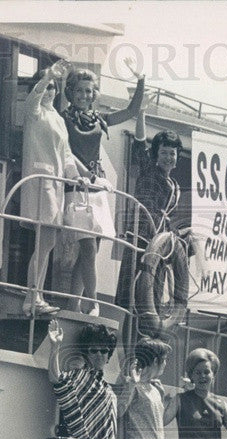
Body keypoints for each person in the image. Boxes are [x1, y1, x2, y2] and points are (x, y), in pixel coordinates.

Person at [55, 69, 147, 315]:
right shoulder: (63, 119)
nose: (84, 95)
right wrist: (87, 175)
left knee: (91, 250)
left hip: (97, 187)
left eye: (89, 90)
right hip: (77, 184)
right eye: (79, 90)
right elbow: (66, 152)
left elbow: (131, 112)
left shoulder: (99, 118)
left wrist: (141, 81)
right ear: (70, 93)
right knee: (86, 247)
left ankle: (73, 304)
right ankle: (92, 301)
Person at [20, 62, 90, 315]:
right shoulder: (34, 111)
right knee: (44, 243)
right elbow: (34, 99)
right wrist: (47, 75)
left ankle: (34, 296)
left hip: (56, 186)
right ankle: (32, 298)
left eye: (53, 87)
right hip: (40, 183)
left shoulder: (58, 118)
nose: (50, 91)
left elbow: (67, 155)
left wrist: (76, 176)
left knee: (47, 244)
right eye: (46, 87)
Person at [115, 121, 192, 330]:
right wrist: (141, 113)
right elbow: (139, 143)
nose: (168, 158)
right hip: (140, 240)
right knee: (129, 293)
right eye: (164, 153)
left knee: (153, 298)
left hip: (158, 249)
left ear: (177, 157)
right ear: (156, 154)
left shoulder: (175, 186)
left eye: (172, 154)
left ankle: (145, 339)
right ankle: (123, 336)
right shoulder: (150, 170)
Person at [47, 319, 121, 439]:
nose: (99, 355)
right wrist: (55, 347)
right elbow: (57, 380)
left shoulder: (109, 391)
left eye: (104, 351)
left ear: (109, 355)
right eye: (93, 350)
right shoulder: (79, 377)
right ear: (86, 353)